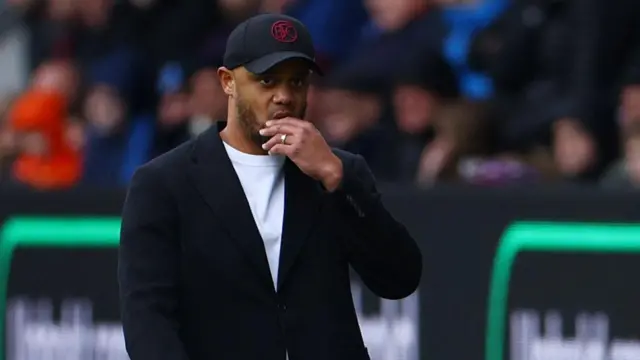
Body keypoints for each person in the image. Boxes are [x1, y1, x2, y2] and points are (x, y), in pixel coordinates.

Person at [118, 13, 422, 360]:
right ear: (227, 81)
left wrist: (337, 181)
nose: (284, 96)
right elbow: (148, 320)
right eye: (267, 81)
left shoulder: (337, 171)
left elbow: (400, 279)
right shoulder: (163, 183)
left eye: (297, 82)